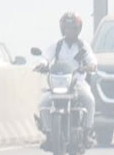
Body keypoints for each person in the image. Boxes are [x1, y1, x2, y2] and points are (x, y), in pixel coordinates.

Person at [37, 11, 97, 146]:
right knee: (44, 104)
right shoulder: (57, 45)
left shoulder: (83, 46)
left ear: (78, 30)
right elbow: (46, 57)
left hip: (77, 83)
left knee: (89, 99)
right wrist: (42, 65)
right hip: (58, 84)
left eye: (72, 29)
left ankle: (87, 133)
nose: (69, 31)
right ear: (62, 29)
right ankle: (48, 134)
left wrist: (91, 66)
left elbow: (92, 60)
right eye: (67, 28)